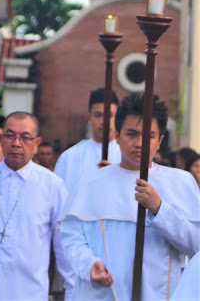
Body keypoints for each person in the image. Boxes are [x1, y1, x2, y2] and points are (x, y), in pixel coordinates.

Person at [60, 92, 200, 300]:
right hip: (102, 293)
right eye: (132, 134)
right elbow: (72, 237)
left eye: (149, 136)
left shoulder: (181, 182)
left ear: (160, 140)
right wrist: (89, 265)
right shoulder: (91, 182)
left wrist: (160, 208)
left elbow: (196, 244)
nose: (139, 143)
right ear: (116, 135)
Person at [0, 112, 73, 300]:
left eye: (25, 137)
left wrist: (72, 289)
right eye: (10, 136)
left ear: (37, 143)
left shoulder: (52, 185)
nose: (16, 143)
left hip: (30, 292)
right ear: (1, 139)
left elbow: (64, 244)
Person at [54, 88, 121, 192]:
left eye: (110, 116)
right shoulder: (69, 157)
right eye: (98, 115)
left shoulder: (127, 157)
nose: (104, 121)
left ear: (118, 118)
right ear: (89, 118)